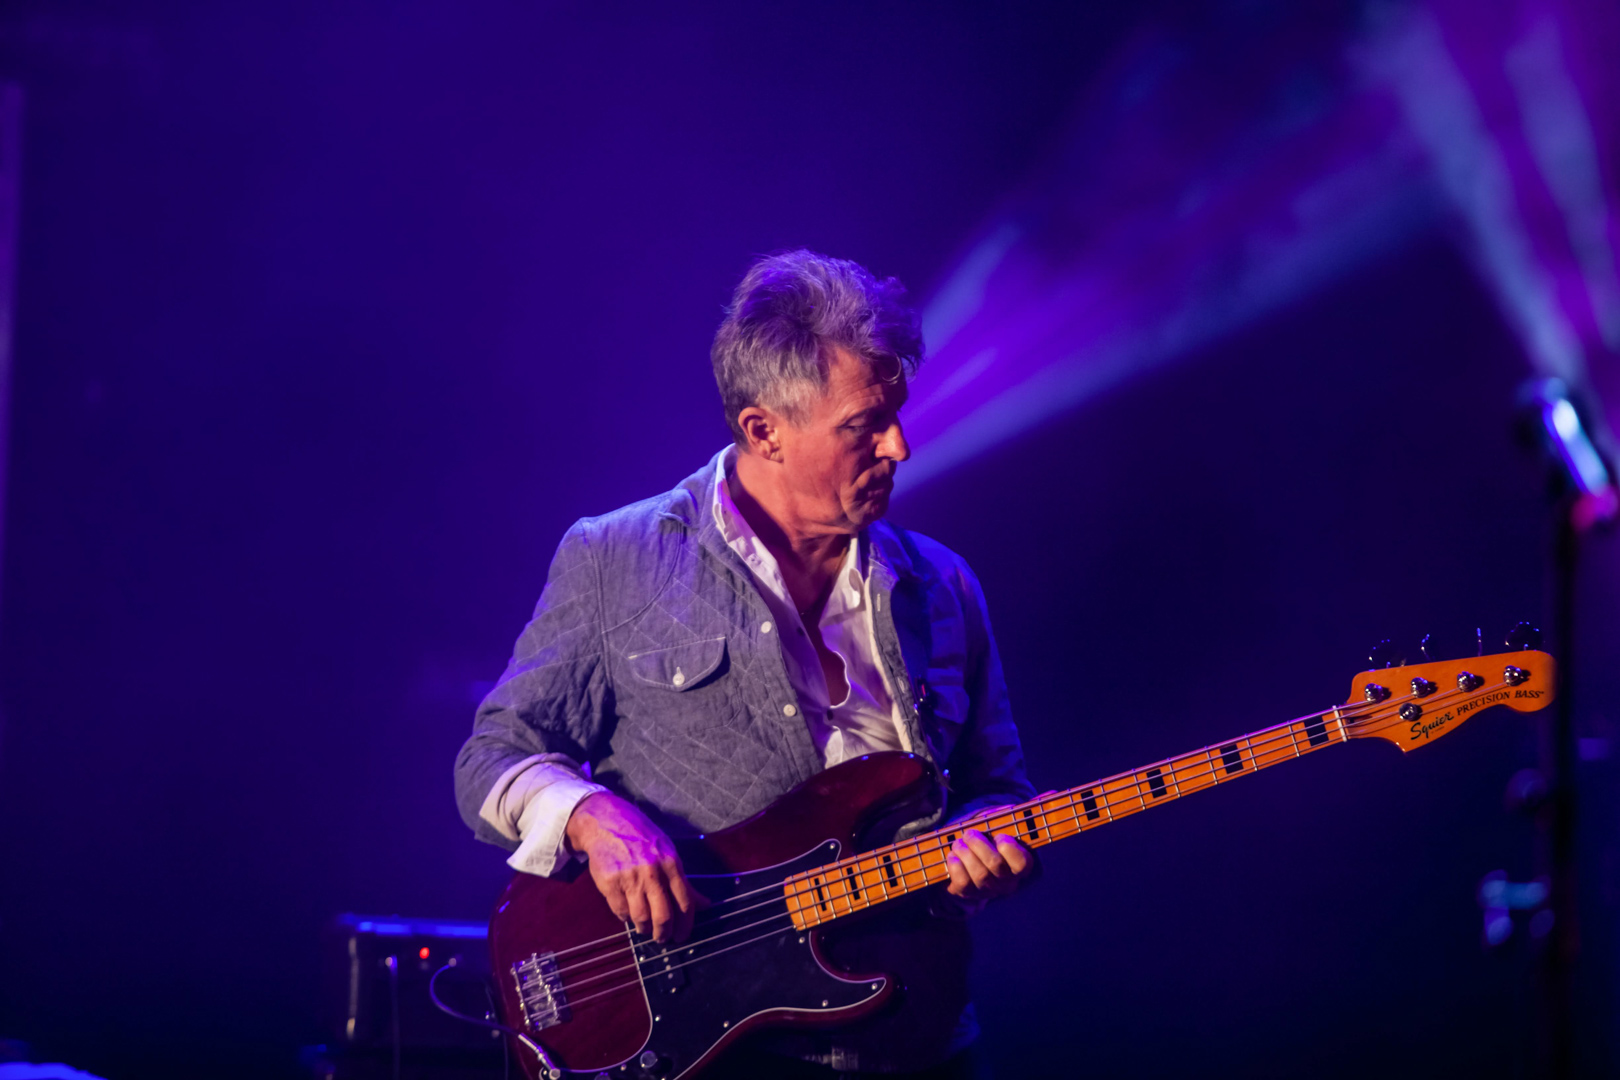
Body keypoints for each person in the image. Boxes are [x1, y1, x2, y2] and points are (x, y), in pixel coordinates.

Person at [454, 250, 1037, 1077]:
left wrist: (992, 837)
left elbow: (998, 787)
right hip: (720, 1055)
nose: (900, 447)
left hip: (921, 1041)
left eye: (897, 415)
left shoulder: (944, 585)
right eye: (864, 426)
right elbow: (490, 760)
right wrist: (586, 813)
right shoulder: (616, 558)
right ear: (764, 431)